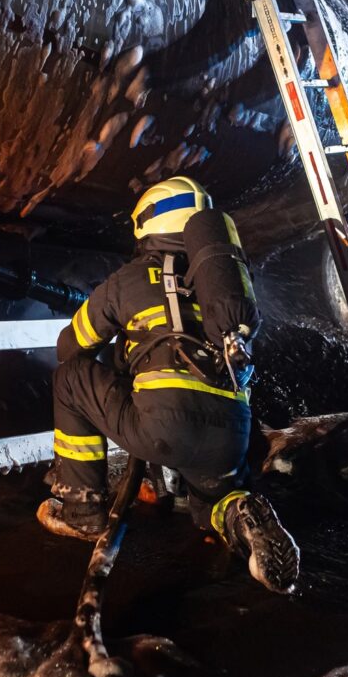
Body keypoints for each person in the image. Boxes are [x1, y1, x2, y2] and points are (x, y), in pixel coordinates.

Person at [38, 176, 300, 593]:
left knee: (69, 379)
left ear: (148, 222)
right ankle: (240, 513)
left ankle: (80, 510)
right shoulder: (223, 288)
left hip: (164, 430)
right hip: (232, 436)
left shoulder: (128, 279)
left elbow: (70, 347)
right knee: (209, 504)